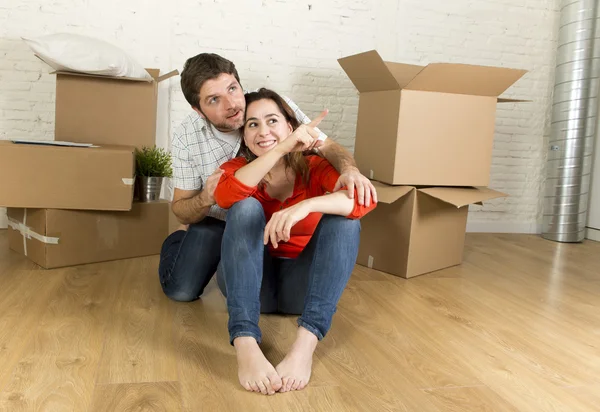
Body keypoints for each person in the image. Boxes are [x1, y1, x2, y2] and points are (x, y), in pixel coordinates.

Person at [158, 53, 378, 304]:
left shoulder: (267, 106)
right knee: (181, 291)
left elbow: (327, 147)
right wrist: (205, 199)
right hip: (217, 223)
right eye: (214, 99)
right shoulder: (187, 137)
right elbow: (181, 208)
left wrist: (349, 171)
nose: (231, 104)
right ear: (198, 110)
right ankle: (177, 242)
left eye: (232, 89)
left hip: (262, 227)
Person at [213, 88, 377, 395]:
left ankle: (305, 346)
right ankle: (245, 341)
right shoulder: (237, 170)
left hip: (301, 286)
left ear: (291, 126)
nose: (263, 131)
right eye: (252, 124)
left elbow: (362, 203)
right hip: (249, 285)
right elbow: (224, 196)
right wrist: (278, 149)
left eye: (272, 121)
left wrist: (305, 206)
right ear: (244, 136)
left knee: (345, 221)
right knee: (245, 206)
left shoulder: (314, 167)